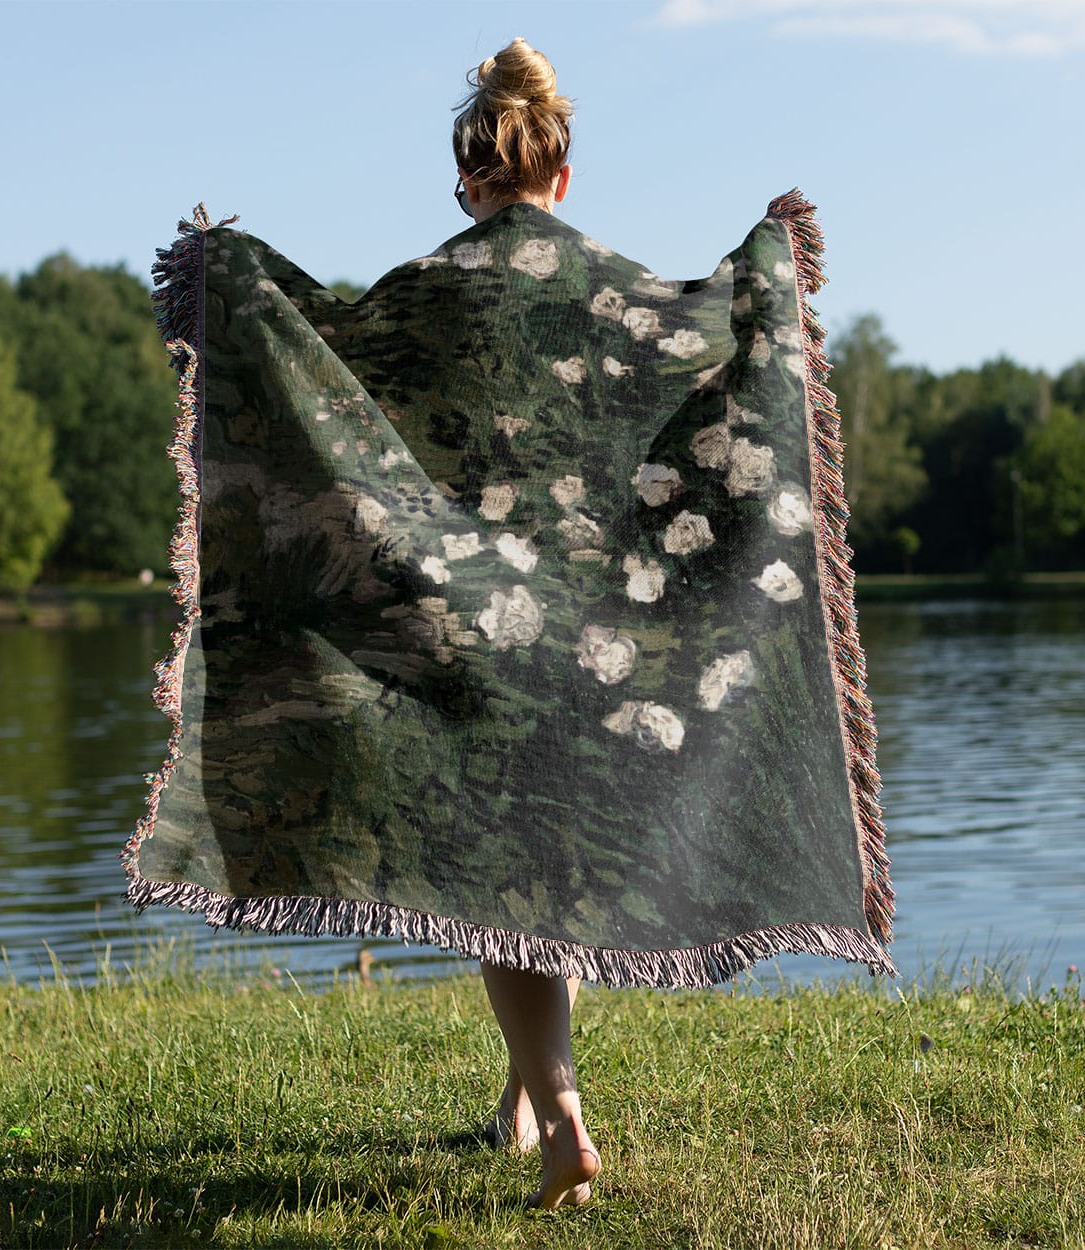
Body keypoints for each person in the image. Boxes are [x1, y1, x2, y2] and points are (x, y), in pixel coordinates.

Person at [449, 36, 601, 1212]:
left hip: (476, 623)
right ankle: (516, 1100)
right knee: (544, 868)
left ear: (471, 181)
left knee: (501, 888)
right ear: (558, 174)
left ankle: (561, 1119)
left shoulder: (438, 287)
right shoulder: (611, 289)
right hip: (597, 631)